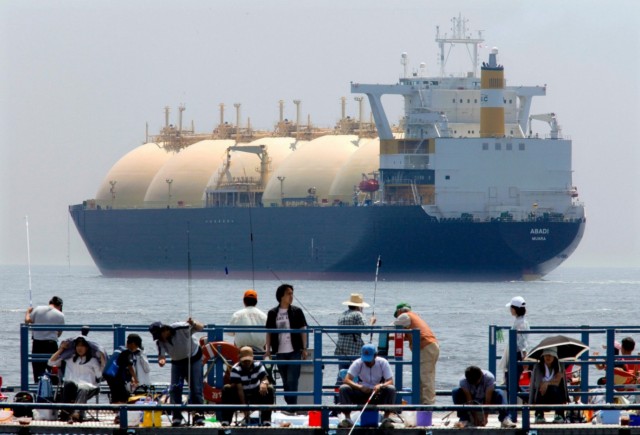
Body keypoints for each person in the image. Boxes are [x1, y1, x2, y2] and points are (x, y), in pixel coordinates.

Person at [149, 318, 205, 427]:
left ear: (165, 329)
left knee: (196, 389)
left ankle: (198, 415)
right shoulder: (160, 342)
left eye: (160, 335)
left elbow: (201, 327)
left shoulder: (180, 327)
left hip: (193, 359)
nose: (160, 338)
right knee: (174, 389)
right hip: (177, 362)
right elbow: (161, 355)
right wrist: (162, 360)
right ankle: (177, 417)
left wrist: (193, 323)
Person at [264, 283, 308, 406]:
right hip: (279, 352)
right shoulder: (272, 312)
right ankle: (289, 406)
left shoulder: (297, 311)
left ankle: (292, 407)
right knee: (285, 381)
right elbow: (269, 332)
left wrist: (304, 348)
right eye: (288, 294)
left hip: (294, 351)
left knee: (292, 380)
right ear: (281, 296)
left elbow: (303, 330)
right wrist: (268, 350)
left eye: (292, 294)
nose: (291, 296)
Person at [338, 344, 396, 428]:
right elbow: (346, 380)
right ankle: (347, 419)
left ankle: (385, 419)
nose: (367, 362)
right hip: (361, 392)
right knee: (344, 388)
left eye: (369, 360)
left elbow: (390, 381)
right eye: (365, 359)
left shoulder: (383, 363)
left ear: (375, 356)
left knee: (391, 389)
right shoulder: (358, 363)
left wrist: (381, 385)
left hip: (377, 394)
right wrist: (360, 387)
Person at [48, 336, 102, 423]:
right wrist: (61, 349)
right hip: (72, 386)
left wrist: (102, 359)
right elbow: (51, 362)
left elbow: (100, 375)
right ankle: (65, 413)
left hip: (89, 387)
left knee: (83, 388)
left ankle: (77, 413)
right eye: (78, 346)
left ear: (87, 348)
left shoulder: (93, 361)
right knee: (68, 383)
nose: (80, 348)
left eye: (82, 346)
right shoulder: (69, 359)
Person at [393, 302, 439, 405]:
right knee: (422, 377)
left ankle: (427, 406)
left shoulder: (405, 316)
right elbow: (408, 336)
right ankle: (421, 404)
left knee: (426, 377)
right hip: (430, 346)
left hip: (426, 347)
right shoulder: (414, 317)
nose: (397, 317)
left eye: (397, 315)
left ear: (400, 311)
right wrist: (391, 338)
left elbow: (390, 327)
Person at [220, 346, 275, 425]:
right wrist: (245, 409)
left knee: (269, 388)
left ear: (252, 358)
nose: (247, 363)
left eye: (248, 360)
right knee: (227, 389)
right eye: (244, 361)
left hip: (256, 394)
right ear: (240, 359)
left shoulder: (258, 365)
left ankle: (266, 420)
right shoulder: (235, 369)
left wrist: (264, 383)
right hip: (241, 395)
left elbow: (265, 379)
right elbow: (240, 390)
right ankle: (226, 420)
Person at [451, 366, 516, 428]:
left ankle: (505, 419)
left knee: (500, 393)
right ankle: (464, 419)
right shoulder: (463, 381)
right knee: (456, 391)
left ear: (481, 375)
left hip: (485, 398)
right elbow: (469, 399)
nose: (474, 384)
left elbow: (488, 399)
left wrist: (485, 418)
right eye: (472, 383)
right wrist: (475, 418)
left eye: (476, 383)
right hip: (472, 399)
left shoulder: (489, 377)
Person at [25, 296, 65, 382]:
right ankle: (55, 388)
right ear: (60, 306)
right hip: (52, 344)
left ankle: (38, 387)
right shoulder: (60, 315)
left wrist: (28, 312)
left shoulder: (38, 309)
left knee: (38, 372)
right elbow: (59, 333)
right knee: (54, 370)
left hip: (37, 344)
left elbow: (27, 321)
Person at [334, 293, 376, 370]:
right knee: (355, 371)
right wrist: (371, 322)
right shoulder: (358, 314)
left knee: (342, 372)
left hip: (341, 347)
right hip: (353, 348)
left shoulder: (342, 314)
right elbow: (366, 331)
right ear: (358, 306)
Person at [529, 347, 568, 424]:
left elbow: (558, 383)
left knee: (554, 389)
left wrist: (547, 383)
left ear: (554, 356)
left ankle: (559, 415)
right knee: (541, 389)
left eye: (550, 355)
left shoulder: (560, 366)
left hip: (555, 395)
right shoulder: (538, 367)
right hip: (542, 395)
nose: (548, 357)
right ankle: (539, 415)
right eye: (546, 355)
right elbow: (537, 384)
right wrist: (548, 383)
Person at [104, 333, 146, 405]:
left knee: (115, 395)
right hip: (116, 378)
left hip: (109, 375)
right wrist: (136, 380)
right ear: (133, 344)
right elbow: (130, 367)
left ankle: (115, 410)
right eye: (137, 346)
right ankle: (121, 411)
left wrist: (131, 379)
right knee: (123, 396)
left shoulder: (119, 349)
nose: (136, 349)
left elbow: (123, 365)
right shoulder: (127, 352)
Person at [502, 296, 530, 402]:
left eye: (511, 308)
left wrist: (524, 355)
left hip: (517, 354)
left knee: (512, 383)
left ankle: (530, 400)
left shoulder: (520, 323)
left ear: (514, 309)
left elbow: (522, 341)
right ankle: (528, 400)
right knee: (511, 382)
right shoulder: (521, 321)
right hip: (516, 354)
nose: (510, 310)